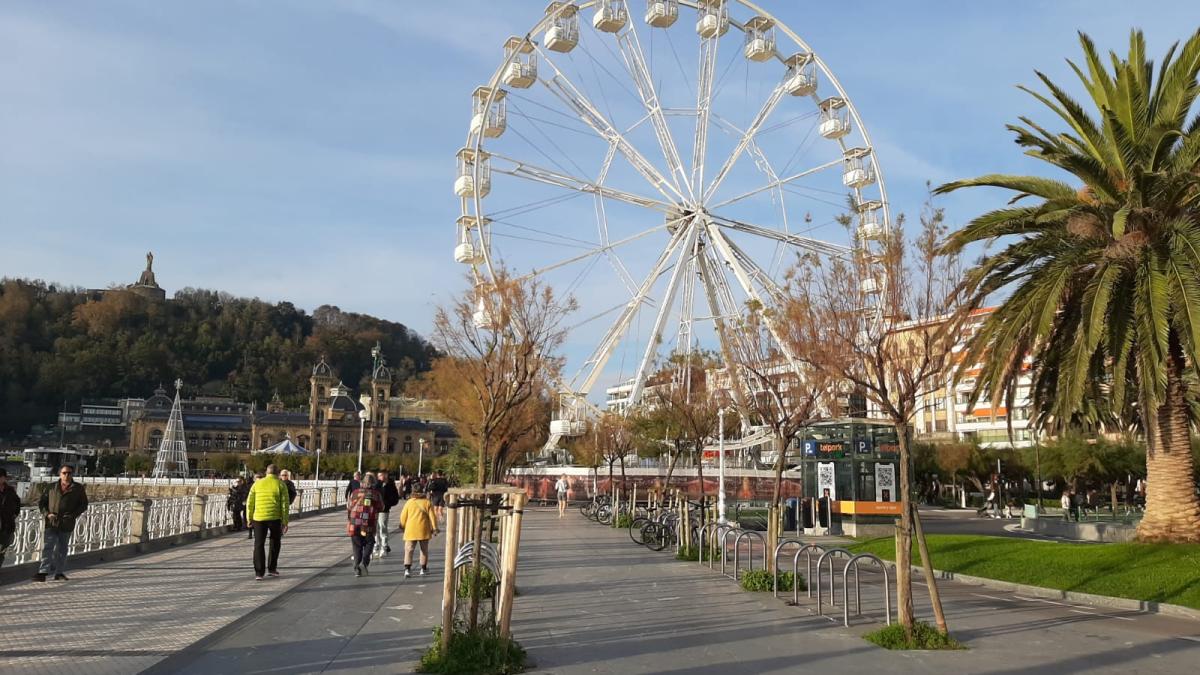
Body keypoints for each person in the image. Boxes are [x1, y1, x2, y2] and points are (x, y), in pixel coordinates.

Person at [34, 464, 88, 582]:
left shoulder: (78, 488)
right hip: (51, 522)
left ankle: (59, 572)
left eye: (69, 473)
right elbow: (42, 503)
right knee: (48, 547)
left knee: (62, 549)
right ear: (60, 474)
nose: (67, 475)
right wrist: (47, 514)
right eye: (64, 473)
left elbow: (84, 504)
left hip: (66, 523)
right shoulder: (51, 487)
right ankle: (43, 572)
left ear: (72, 474)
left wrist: (73, 515)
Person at [246, 464, 290, 581]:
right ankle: (272, 568)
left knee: (259, 544)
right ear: (277, 473)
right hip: (275, 518)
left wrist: (249, 518)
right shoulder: (281, 485)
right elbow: (285, 505)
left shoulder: (257, 483)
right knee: (275, 542)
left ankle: (259, 572)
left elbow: (250, 502)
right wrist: (285, 522)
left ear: (267, 472)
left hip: (258, 518)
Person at [398, 486, 438, 578]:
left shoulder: (409, 502)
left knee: (409, 550)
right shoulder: (427, 502)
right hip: (423, 529)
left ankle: (407, 569)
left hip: (410, 530)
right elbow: (433, 517)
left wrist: (402, 526)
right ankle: (423, 569)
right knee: (424, 550)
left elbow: (403, 516)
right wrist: (435, 528)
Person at [347, 474, 382, 577]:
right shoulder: (376, 494)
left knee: (357, 546)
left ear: (362, 482)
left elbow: (349, 506)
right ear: (373, 483)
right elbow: (381, 507)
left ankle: (357, 569)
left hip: (354, 523)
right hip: (369, 523)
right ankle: (364, 562)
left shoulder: (355, 492)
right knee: (369, 542)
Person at [376, 471, 400, 557]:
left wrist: (387, 504)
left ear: (385, 476)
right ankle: (376, 545)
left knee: (383, 527)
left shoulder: (390, 485)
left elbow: (395, 498)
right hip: (374, 509)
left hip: (384, 510)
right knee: (375, 528)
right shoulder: (376, 484)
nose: (379, 477)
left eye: (381, 476)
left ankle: (384, 546)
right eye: (378, 476)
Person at [0, 469, 20, 568]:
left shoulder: (10, 490)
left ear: (4, 478)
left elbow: (17, 503)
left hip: (7, 525)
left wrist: (15, 514)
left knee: (2, 550)